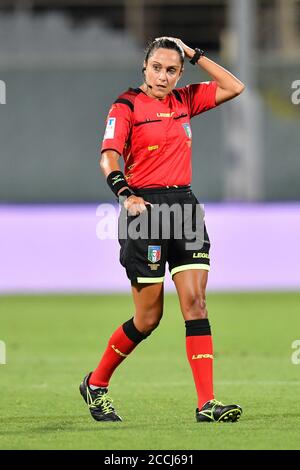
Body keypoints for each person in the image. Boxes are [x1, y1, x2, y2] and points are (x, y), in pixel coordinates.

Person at [80, 37, 245, 423]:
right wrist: (124, 193)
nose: (163, 76)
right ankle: (97, 382)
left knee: (196, 304)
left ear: (179, 72)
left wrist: (197, 54)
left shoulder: (184, 100)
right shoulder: (126, 105)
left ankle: (207, 404)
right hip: (145, 212)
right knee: (148, 319)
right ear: (145, 67)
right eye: (156, 67)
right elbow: (109, 155)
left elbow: (234, 87)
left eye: (172, 69)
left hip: (185, 209)